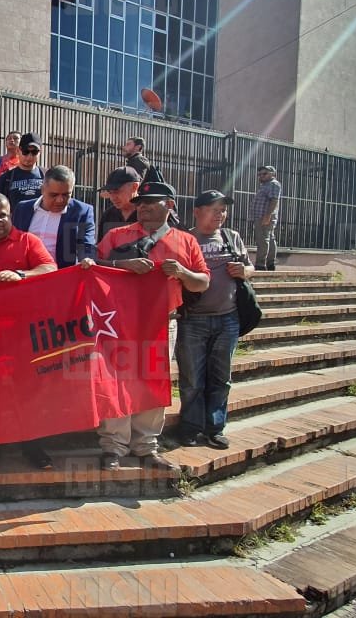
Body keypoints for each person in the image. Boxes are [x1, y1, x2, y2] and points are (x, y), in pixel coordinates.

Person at [81, 181, 209, 473]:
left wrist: (182, 272)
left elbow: (202, 282)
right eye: (140, 203)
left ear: (170, 205)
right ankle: (113, 446)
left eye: (152, 202)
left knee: (152, 382)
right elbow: (92, 265)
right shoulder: (117, 235)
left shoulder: (186, 241)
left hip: (162, 322)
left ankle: (146, 446)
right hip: (119, 322)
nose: (144, 207)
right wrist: (122, 265)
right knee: (116, 382)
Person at [0, 193, 57, 468]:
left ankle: (33, 445)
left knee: (30, 390)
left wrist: (21, 275)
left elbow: (50, 268)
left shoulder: (28, 241)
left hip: (24, 334)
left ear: (11, 216)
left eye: (2, 215)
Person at [176, 190, 253, 450]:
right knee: (192, 380)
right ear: (197, 212)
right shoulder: (184, 239)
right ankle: (190, 427)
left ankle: (215, 428)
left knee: (221, 378)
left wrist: (245, 271)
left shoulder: (232, 237)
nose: (220, 214)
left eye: (223, 210)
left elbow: (250, 267)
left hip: (228, 319)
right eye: (214, 209)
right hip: (192, 320)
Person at [12, 164, 97, 268]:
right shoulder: (22, 209)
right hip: (26, 273)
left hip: (61, 275)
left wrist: (87, 259)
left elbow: (87, 246)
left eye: (66, 195)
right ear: (42, 189)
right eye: (54, 195)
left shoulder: (81, 212)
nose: (60, 200)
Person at [0, 133, 46, 210]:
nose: (29, 156)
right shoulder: (5, 178)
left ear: (40, 152)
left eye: (34, 152)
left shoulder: (47, 176)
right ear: (18, 151)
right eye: (25, 151)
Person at [97, 166, 142, 241]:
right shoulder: (108, 215)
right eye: (110, 192)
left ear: (134, 187)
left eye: (116, 191)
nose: (112, 198)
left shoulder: (148, 214)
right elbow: (101, 245)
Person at [252, 165, 282, 271]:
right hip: (263, 216)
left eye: (264, 174)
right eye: (259, 174)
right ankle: (270, 263)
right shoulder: (266, 185)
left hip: (264, 216)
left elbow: (274, 200)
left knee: (263, 239)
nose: (261, 176)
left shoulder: (273, 184)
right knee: (269, 238)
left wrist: (267, 216)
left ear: (273, 174)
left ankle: (260, 264)